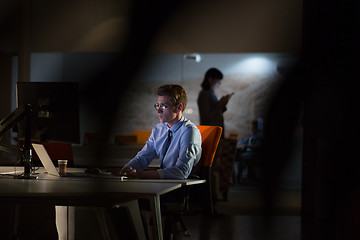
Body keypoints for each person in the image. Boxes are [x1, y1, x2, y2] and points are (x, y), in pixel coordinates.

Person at [108, 84, 202, 179]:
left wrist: (139, 174)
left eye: (164, 106)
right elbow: (142, 158)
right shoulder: (158, 130)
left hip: (180, 187)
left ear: (179, 108)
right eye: (158, 105)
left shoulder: (189, 131)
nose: (159, 110)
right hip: (164, 184)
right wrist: (126, 170)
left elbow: (181, 172)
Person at [197, 67, 233, 138]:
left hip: (213, 132)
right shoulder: (204, 93)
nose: (219, 83)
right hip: (210, 133)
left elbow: (215, 113)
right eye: (218, 81)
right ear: (210, 79)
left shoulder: (210, 93)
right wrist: (220, 104)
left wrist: (222, 104)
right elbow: (207, 116)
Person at [236, 119, 263, 183]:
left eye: (253, 126)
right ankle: (242, 176)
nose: (252, 128)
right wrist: (239, 143)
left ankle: (239, 176)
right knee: (239, 154)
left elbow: (258, 146)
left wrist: (246, 145)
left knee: (243, 156)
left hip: (254, 153)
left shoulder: (259, 136)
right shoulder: (252, 136)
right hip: (249, 152)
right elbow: (244, 141)